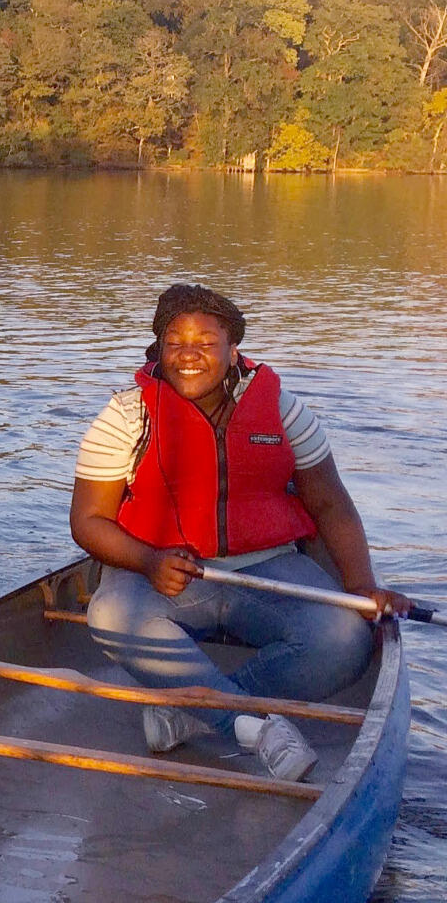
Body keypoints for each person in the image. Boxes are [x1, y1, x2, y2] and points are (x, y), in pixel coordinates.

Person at [69, 283, 408, 782]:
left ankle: (191, 712)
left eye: (206, 343)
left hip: (268, 569)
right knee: (110, 613)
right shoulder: (126, 415)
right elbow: (87, 521)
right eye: (174, 342)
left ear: (232, 350)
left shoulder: (283, 410)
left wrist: (360, 587)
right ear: (159, 348)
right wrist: (147, 561)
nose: (189, 355)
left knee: (346, 639)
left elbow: (331, 504)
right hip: (163, 575)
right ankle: (252, 729)